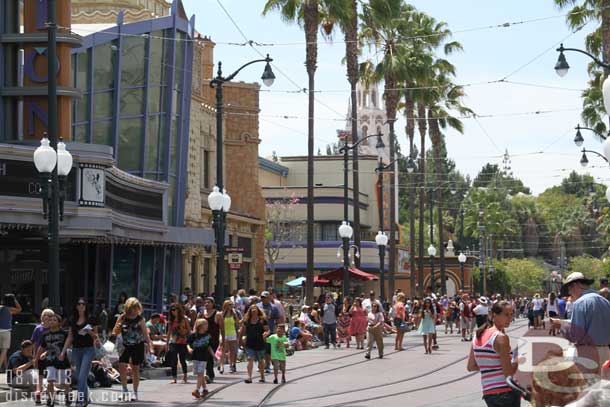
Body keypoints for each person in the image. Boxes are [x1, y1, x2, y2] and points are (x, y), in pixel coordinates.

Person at [550, 272, 610, 375]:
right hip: (606, 352)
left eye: (569, 290)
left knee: (586, 388)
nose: (570, 294)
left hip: (588, 353)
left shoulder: (580, 303)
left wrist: (561, 326)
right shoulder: (605, 302)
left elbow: (576, 336)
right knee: (604, 388)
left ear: (575, 285)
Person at [467, 300, 520, 407]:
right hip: (505, 392)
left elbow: (471, 366)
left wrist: (491, 366)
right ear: (494, 315)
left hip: (488, 393)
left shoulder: (477, 336)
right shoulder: (501, 338)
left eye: (511, 314)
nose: (510, 318)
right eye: (506, 315)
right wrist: (519, 360)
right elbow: (508, 374)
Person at [111, 297, 152, 402]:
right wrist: (118, 327)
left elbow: (145, 334)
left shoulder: (140, 319)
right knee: (122, 366)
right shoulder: (122, 317)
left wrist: (150, 346)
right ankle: (124, 390)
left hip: (137, 345)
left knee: (135, 369)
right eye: (132, 307)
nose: (134, 310)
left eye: (136, 307)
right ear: (128, 307)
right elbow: (114, 331)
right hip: (125, 346)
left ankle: (135, 392)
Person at [64, 298, 98, 406]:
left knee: (82, 376)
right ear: (76, 306)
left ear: (86, 306)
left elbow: (96, 336)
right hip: (76, 350)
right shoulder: (72, 320)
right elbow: (70, 337)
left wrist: (89, 331)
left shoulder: (91, 319)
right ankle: (86, 398)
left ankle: (80, 400)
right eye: (79, 304)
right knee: (80, 376)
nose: (81, 305)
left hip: (88, 349)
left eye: (83, 304)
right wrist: (63, 352)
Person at [36, 314, 71, 406]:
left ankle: (67, 397)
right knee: (50, 380)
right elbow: (42, 347)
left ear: (59, 323)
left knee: (65, 382)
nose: (52, 321)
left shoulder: (64, 333)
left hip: (62, 360)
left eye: (54, 320)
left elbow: (69, 345)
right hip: (50, 360)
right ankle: (50, 398)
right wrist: (37, 358)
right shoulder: (45, 334)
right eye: (50, 320)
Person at [239, 304, 268, 383]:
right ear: (250, 311)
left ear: (258, 310)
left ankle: (262, 376)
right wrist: (240, 341)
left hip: (260, 343)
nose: (254, 310)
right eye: (252, 309)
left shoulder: (262, 320)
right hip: (250, 343)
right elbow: (242, 332)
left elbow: (267, 330)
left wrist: (266, 334)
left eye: (255, 309)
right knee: (249, 359)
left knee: (261, 361)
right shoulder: (247, 321)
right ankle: (249, 377)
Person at [187, 319, 216, 399]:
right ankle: (205, 389)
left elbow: (209, 347)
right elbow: (188, 343)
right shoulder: (193, 335)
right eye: (205, 324)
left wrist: (214, 356)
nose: (207, 326)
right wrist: (189, 348)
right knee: (199, 374)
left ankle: (197, 390)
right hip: (195, 357)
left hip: (204, 357)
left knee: (200, 373)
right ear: (200, 326)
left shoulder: (208, 336)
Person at [31, 308, 54, 404]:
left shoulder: (53, 329)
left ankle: (49, 396)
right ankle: (38, 393)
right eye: (45, 315)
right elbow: (33, 343)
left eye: (49, 315)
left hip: (50, 356)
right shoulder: (38, 329)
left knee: (50, 376)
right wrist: (34, 357)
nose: (47, 317)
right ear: (42, 316)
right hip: (38, 355)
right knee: (39, 375)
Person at [166, 303, 190, 384]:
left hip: (183, 342)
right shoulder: (170, 320)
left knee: (183, 359)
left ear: (178, 310)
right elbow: (168, 332)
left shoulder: (184, 318)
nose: (173, 312)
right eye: (171, 310)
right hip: (173, 342)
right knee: (174, 359)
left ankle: (185, 376)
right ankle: (174, 378)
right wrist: (167, 344)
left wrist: (190, 342)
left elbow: (189, 330)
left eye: (174, 309)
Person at [201, 297, 223, 383]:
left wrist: (222, 339)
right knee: (206, 357)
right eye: (205, 302)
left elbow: (222, 328)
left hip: (213, 339)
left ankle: (209, 375)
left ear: (213, 304)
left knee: (209, 356)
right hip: (203, 339)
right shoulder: (202, 313)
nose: (206, 304)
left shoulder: (218, 314)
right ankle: (210, 375)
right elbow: (197, 325)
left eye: (209, 302)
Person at [0, 294, 22, 372]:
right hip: (6, 330)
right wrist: (14, 299)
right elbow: (19, 309)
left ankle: (5, 367)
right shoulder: (10, 309)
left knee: (2, 349)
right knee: (5, 349)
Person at [220, 300, 239, 374]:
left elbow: (238, 323)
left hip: (232, 333)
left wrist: (235, 315)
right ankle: (221, 365)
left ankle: (231, 365)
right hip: (224, 333)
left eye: (232, 305)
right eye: (230, 305)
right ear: (226, 305)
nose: (231, 306)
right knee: (223, 350)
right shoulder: (222, 314)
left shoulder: (234, 313)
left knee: (232, 350)